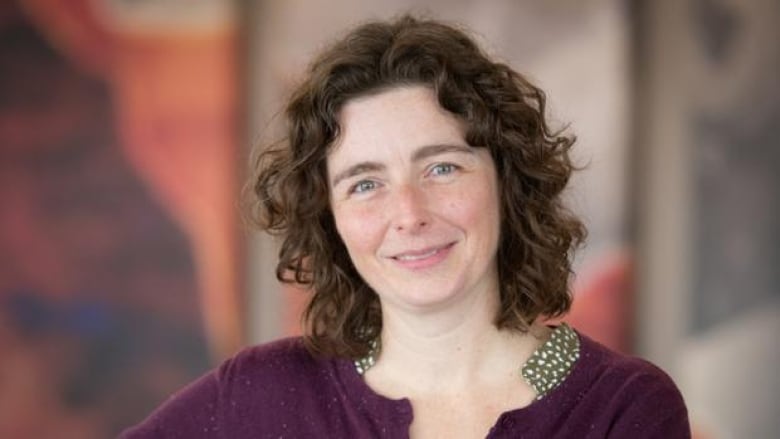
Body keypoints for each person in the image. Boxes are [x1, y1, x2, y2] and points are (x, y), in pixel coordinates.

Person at [120, 15, 690, 438]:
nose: (409, 213)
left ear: (506, 181)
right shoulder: (261, 394)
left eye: (442, 167)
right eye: (365, 183)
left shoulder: (623, 409)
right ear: (330, 216)